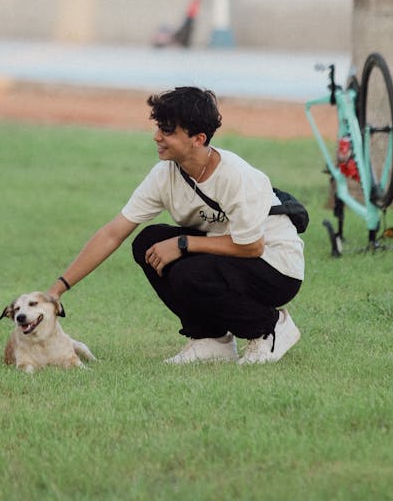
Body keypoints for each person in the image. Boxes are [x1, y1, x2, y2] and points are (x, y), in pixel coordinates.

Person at [48, 86, 304, 365]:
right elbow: (113, 233)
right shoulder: (165, 175)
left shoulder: (235, 176)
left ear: (198, 138)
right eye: (159, 127)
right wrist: (57, 290)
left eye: (168, 131)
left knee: (190, 271)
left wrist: (184, 244)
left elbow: (253, 246)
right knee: (148, 242)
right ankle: (211, 340)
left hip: (276, 266)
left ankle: (270, 327)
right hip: (228, 255)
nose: (157, 137)